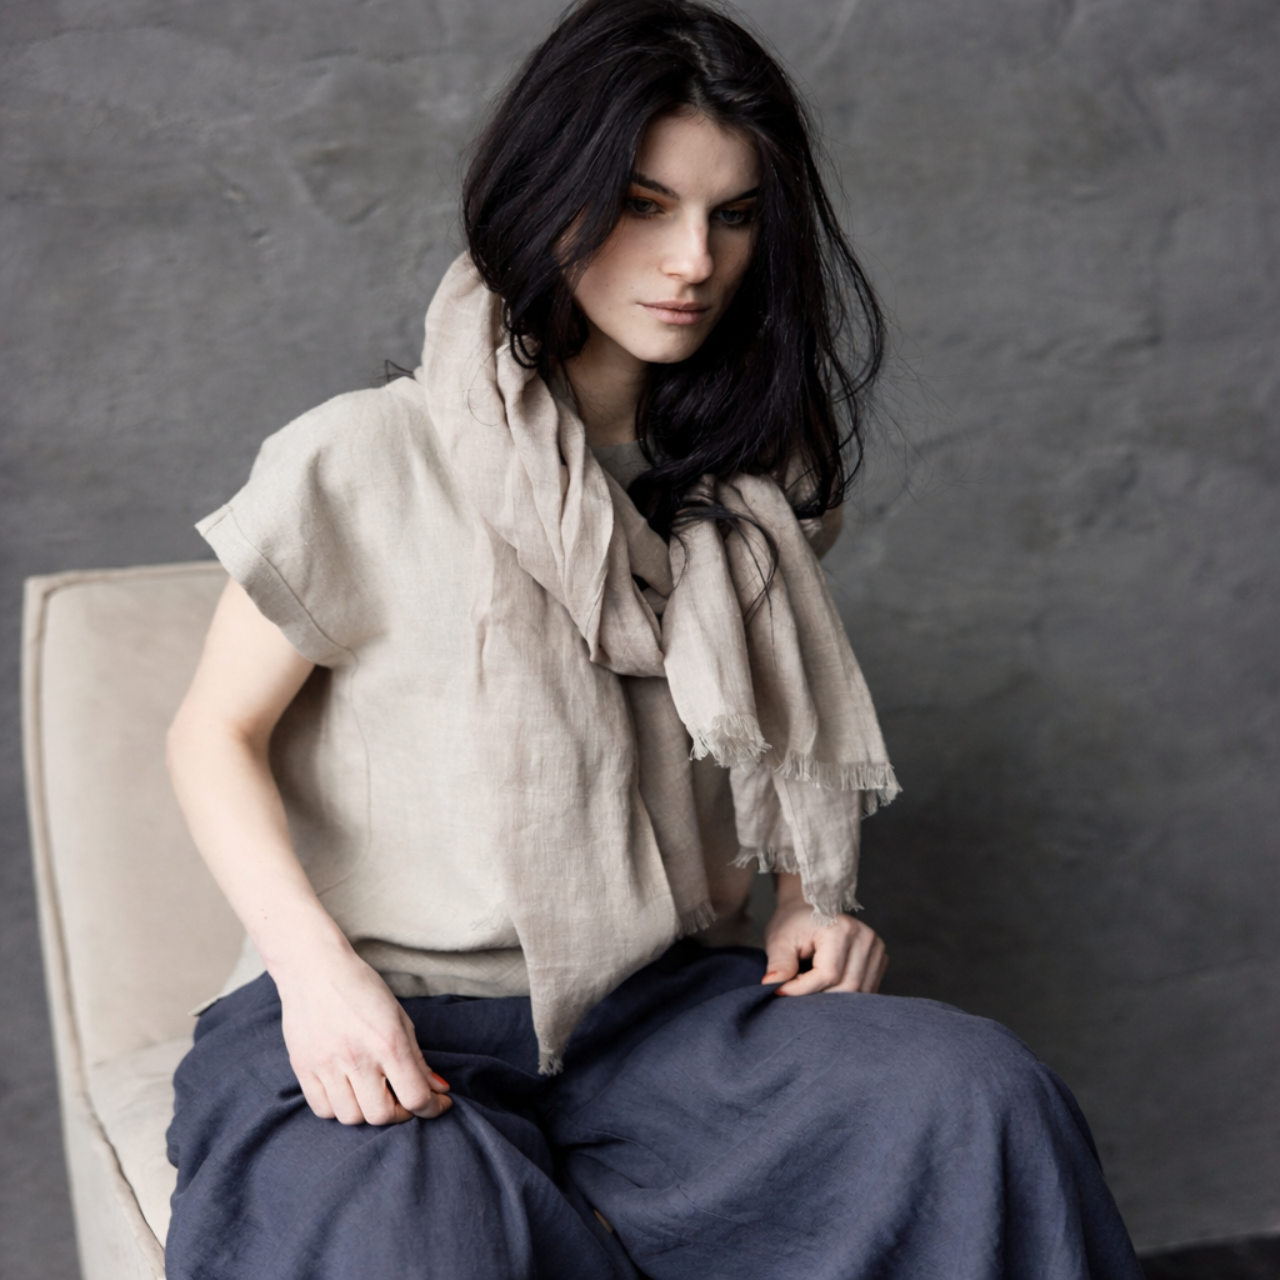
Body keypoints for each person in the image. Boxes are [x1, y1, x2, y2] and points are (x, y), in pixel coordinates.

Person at [163, 1, 1146, 1276]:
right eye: (642, 204)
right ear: (548, 194)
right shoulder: (365, 455)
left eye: (732, 215)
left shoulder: (758, 491)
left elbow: (773, 718)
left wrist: (811, 895)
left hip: (651, 1017)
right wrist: (316, 977)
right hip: (387, 994)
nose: (692, 258)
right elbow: (212, 733)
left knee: (971, 1092)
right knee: (425, 1235)